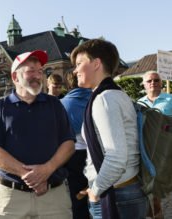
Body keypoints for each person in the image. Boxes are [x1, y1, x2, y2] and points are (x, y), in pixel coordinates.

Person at [0, 50, 75, 218]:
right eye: (31, 70)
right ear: (15, 77)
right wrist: (29, 175)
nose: (38, 75)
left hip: (53, 197)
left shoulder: (55, 105)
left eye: (40, 71)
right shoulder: (0, 107)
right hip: (12, 198)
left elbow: (68, 144)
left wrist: (47, 170)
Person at [70, 39, 148, 218]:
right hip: (123, 190)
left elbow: (116, 157)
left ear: (96, 63)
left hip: (116, 195)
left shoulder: (104, 99)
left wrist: (95, 191)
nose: (74, 70)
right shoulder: (115, 94)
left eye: (79, 64)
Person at [139, 70, 172, 218]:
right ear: (144, 85)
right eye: (149, 81)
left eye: (156, 80)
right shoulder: (139, 103)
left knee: (163, 182)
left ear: (161, 83)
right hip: (146, 150)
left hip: (166, 149)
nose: (153, 83)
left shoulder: (170, 100)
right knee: (149, 185)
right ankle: (156, 214)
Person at [61, 70, 91, 219]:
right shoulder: (96, 98)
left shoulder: (62, 104)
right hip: (97, 153)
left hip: (74, 154)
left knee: (77, 196)